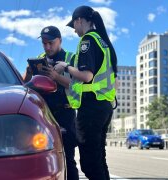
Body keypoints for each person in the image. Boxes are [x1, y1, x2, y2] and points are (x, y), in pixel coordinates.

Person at [55, 6, 117, 180]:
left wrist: (65, 66)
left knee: (90, 164)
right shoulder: (103, 42)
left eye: (73, 25)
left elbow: (87, 76)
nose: (74, 30)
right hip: (104, 105)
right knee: (99, 160)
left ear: (79, 20)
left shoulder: (87, 41)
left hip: (91, 107)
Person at [23, 26, 79, 180]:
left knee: (68, 159)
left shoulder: (71, 58)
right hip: (43, 115)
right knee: (41, 159)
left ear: (60, 40)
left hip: (65, 114)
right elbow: (24, 85)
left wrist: (56, 77)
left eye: (51, 43)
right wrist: (28, 73)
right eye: (44, 43)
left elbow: (79, 86)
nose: (47, 47)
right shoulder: (39, 58)